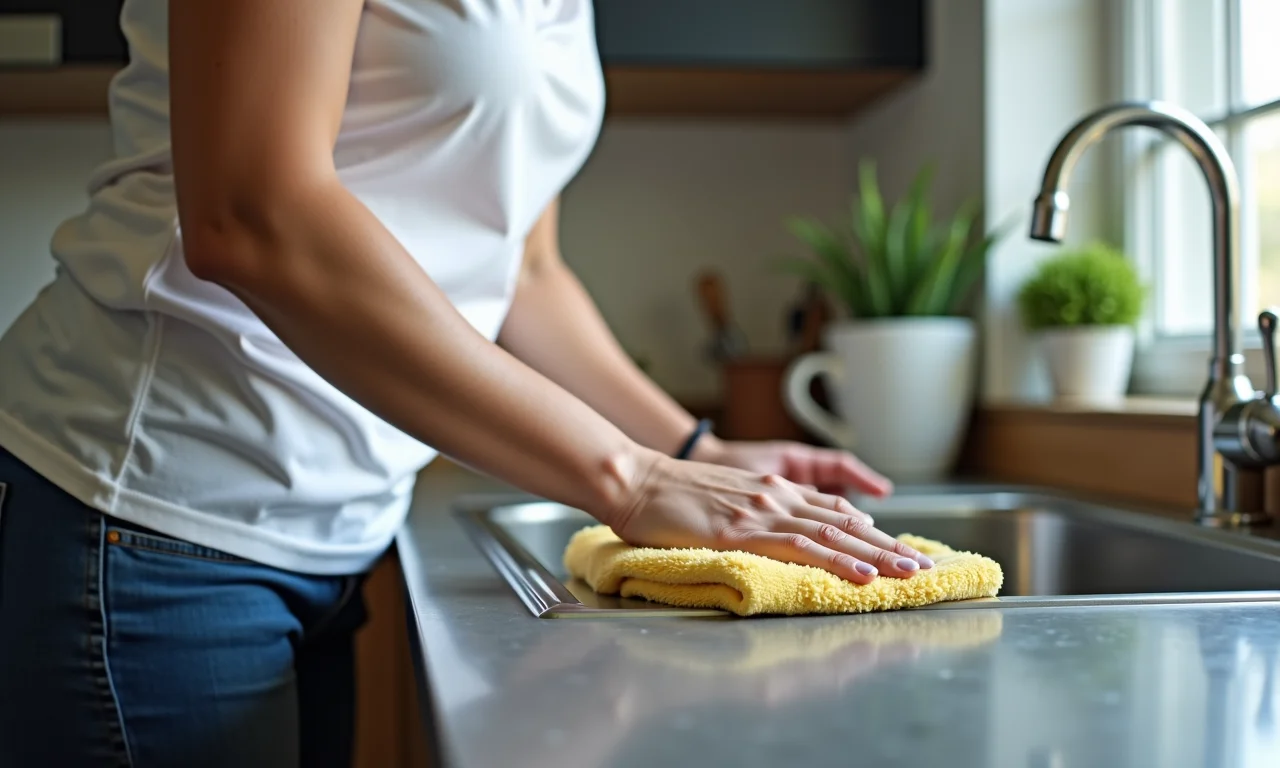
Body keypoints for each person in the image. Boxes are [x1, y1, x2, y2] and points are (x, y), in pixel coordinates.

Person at [0, 1, 934, 765]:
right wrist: (634, 481)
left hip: (334, 532)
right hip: (148, 510)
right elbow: (252, 212)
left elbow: (524, 274)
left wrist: (693, 449)